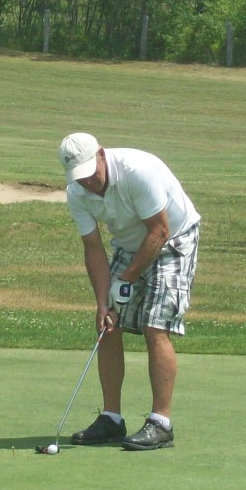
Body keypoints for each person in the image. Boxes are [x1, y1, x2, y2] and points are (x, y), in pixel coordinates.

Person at [57, 132, 201, 450]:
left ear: (101, 155)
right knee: (108, 325)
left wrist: (125, 279)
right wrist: (102, 302)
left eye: (89, 173)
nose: (87, 182)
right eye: (78, 177)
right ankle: (111, 419)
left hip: (174, 240)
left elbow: (159, 231)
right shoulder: (77, 192)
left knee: (155, 325)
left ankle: (161, 424)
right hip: (131, 243)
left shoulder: (137, 171)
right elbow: (93, 248)